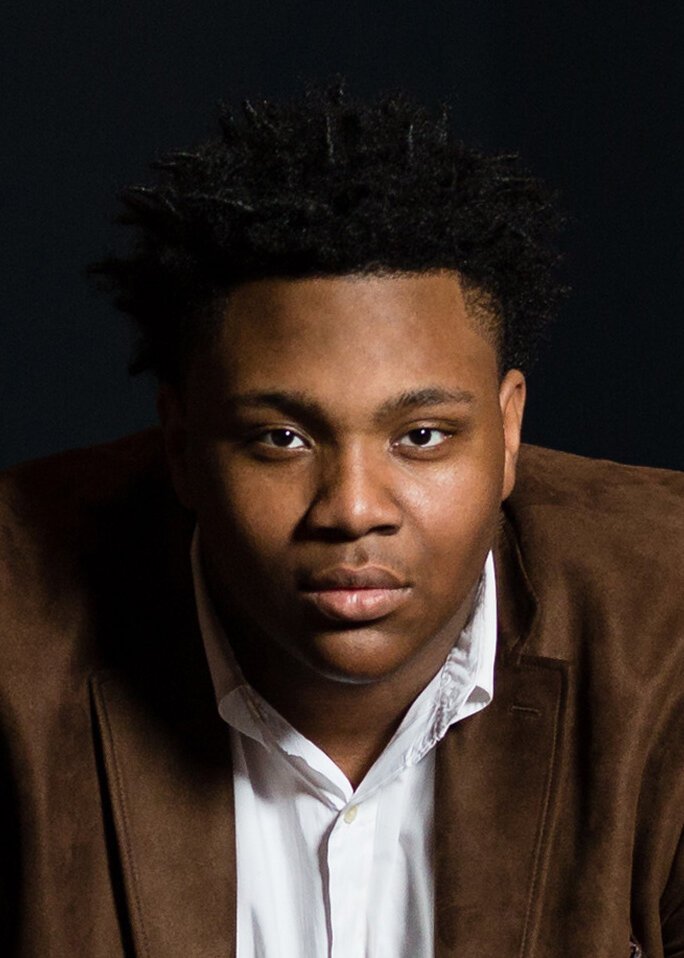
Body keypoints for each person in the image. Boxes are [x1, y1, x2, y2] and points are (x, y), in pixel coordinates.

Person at [0, 84, 681, 958]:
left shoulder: (668, 627)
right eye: (281, 438)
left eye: (422, 436)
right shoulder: (17, 633)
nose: (354, 509)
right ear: (181, 446)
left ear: (508, 432)